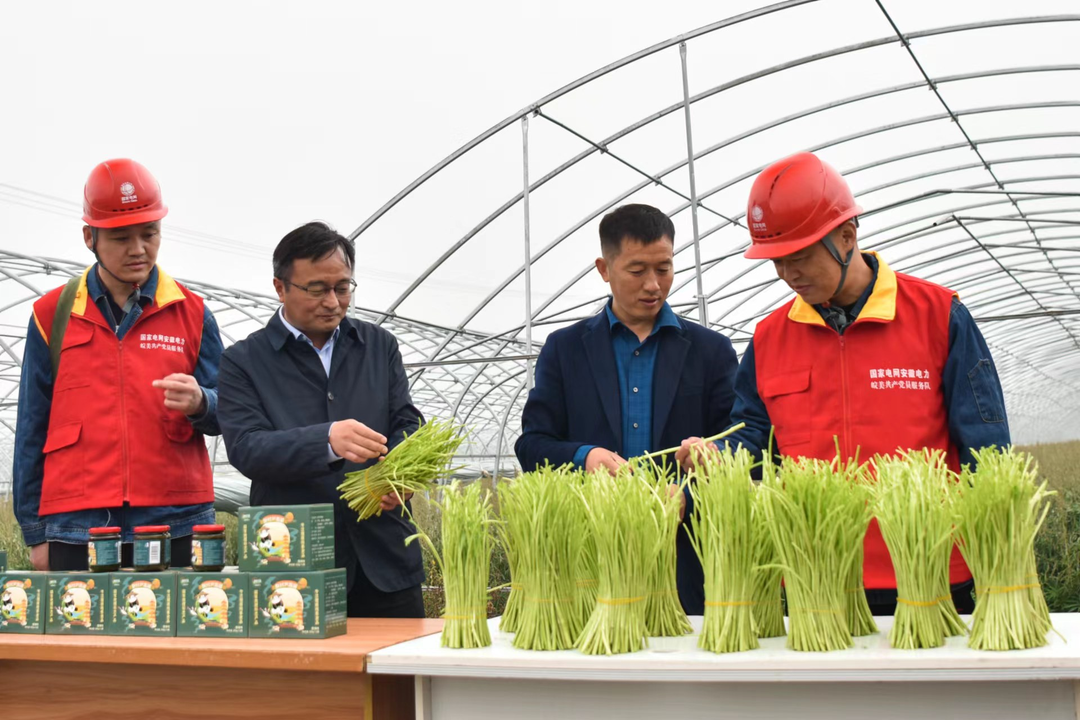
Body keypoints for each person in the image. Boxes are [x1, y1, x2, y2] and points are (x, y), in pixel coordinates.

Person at [677, 151, 1011, 614]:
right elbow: (752, 435)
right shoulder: (771, 338)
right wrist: (718, 457)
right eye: (776, 261)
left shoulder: (939, 316)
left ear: (847, 236)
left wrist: (998, 567)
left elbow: (987, 450)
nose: (788, 274)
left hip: (930, 575)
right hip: (815, 578)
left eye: (800, 256)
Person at [515, 203, 739, 615]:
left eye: (664, 268)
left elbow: (741, 448)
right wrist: (586, 457)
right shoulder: (565, 350)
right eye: (637, 271)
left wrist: (694, 488)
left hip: (686, 560)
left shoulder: (711, 351)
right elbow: (532, 446)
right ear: (604, 268)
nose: (653, 285)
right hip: (591, 563)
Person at [13, 158, 223, 571]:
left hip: (175, 518)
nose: (138, 249)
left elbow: (231, 411)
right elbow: (32, 426)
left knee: (173, 632)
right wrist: (36, 533)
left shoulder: (192, 313)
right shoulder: (52, 314)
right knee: (77, 632)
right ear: (90, 236)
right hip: (76, 521)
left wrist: (202, 402)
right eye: (121, 237)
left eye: (150, 233)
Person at [217, 221, 425, 618]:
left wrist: (401, 478)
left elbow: (407, 422)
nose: (332, 301)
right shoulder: (244, 361)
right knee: (304, 680)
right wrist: (327, 440)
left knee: (399, 676)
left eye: (343, 287)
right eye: (317, 289)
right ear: (280, 287)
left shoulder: (378, 346)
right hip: (294, 567)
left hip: (386, 561)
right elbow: (247, 448)